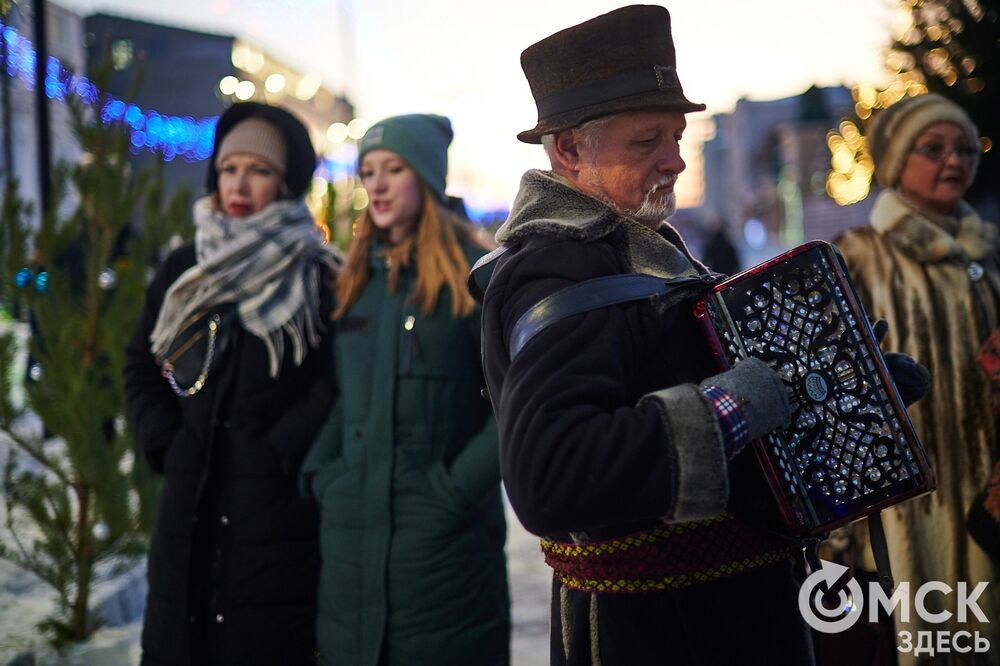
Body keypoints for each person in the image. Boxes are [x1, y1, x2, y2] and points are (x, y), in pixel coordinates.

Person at [473, 7, 927, 665]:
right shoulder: (558, 265)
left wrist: (842, 392)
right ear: (569, 150)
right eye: (646, 141)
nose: (675, 161)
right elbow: (553, 477)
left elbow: (711, 422)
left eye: (677, 137)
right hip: (657, 633)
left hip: (725, 615)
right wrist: (737, 404)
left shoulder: (636, 247)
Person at [124, 101, 340, 665]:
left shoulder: (317, 276)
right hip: (187, 509)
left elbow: (333, 382)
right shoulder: (184, 271)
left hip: (274, 518)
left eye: (259, 170)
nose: (239, 183)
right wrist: (165, 442)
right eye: (228, 168)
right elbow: (141, 365)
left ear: (286, 181)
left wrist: (283, 447)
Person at [302, 113, 510, 666]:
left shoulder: (476, 277)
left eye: (393, 168)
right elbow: (348, 396)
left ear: (426, 176)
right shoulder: (355, 280)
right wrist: (324, 476)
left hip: (444, 555)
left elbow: (514, 405)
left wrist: (450, 496)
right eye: (368, 171)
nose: (376, 184)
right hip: (350, 544)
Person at [835, 94, 1000, 659]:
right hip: (906, 510)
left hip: (990, 498)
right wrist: (843, 533)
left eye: (964, 149)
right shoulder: (854, 259)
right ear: (896, 161)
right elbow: (831, 406)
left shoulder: (993, 253)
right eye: (932, 150)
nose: (953, 162)